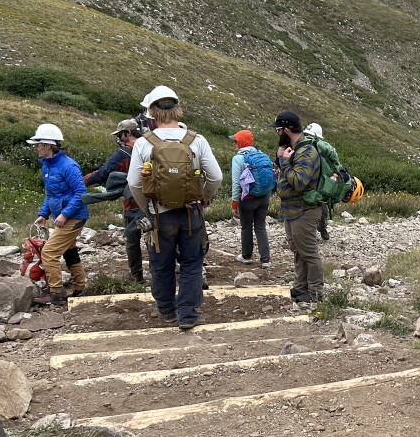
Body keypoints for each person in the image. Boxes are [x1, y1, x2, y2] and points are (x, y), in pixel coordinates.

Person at [128, 87, 223, 331]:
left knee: (162, 263)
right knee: (192, 263)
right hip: (191, 213)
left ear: (151, 112)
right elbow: (216, 177)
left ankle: (167, 310)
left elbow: (134, 183)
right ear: (177, 109)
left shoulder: (144, 143)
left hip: (159, 215)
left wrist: (147, 207)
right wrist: (204, 198)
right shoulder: (196, 140)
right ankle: (188, 314)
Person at [27, 123, 88, 308]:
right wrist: (44, 214)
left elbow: (81, 192)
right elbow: (51, 194)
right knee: (69, 251)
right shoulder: (47, 166)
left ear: (48, 145)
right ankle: (80, 288)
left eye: (38, 144)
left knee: (49, 253)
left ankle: (56, 294)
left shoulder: (68, 166)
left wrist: (64, 214)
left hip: (74, 217)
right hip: (64, 216)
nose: (36, 148)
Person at [84, 118, 147, 283]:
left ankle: (136, 276)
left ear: (127, 133)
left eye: (120, 135)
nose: (119, 138)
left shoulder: (123, 154)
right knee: (155, 240)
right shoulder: (151, 148)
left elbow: (103, 173)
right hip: (152, 202)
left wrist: (81, 182)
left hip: (132, 203)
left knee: (132, 240)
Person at [273, 110, 323, 304]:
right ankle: (301, 286)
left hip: (305, 210)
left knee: (309, 252)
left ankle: (315, 292)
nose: (277, 134)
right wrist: (280, 159)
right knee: (297, 250)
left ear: (287, 130)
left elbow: (299, 182)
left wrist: (284, 163)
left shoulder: (307, 152)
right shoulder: (293, 149)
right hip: (291, 210)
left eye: (278, 130)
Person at [230, 129, 273, 268]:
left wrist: (234, 203)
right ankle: (266, 259)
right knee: (260, 227)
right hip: (264, 197)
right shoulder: (260, 155)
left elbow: (236, 183)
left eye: (236, 141)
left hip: (247, 198)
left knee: (246, 227)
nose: (234, 144)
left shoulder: (238, 159)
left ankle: (246, 256)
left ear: (242, 142)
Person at [306, 123, 334, 241]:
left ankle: (322, 228)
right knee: (314, 210)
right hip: (309, 183)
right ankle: (311, 233)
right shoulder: (301, 148)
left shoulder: (321, 150)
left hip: (318, 184)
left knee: (322, 210)